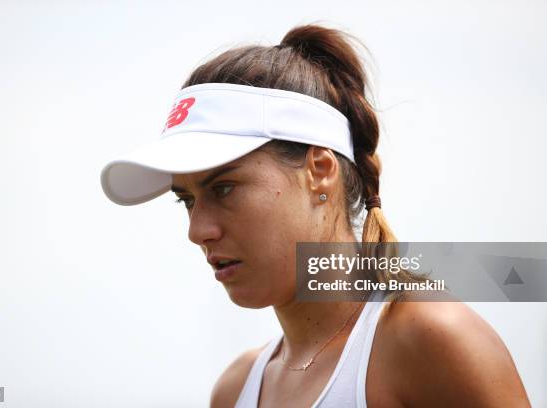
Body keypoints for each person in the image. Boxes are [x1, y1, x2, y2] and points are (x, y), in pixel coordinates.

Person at [100, 24, 530, 407]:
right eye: (186, 200)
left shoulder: (433, 339)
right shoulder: (235, 390)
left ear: (319, 172)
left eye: (223, 187)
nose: (197, 231)